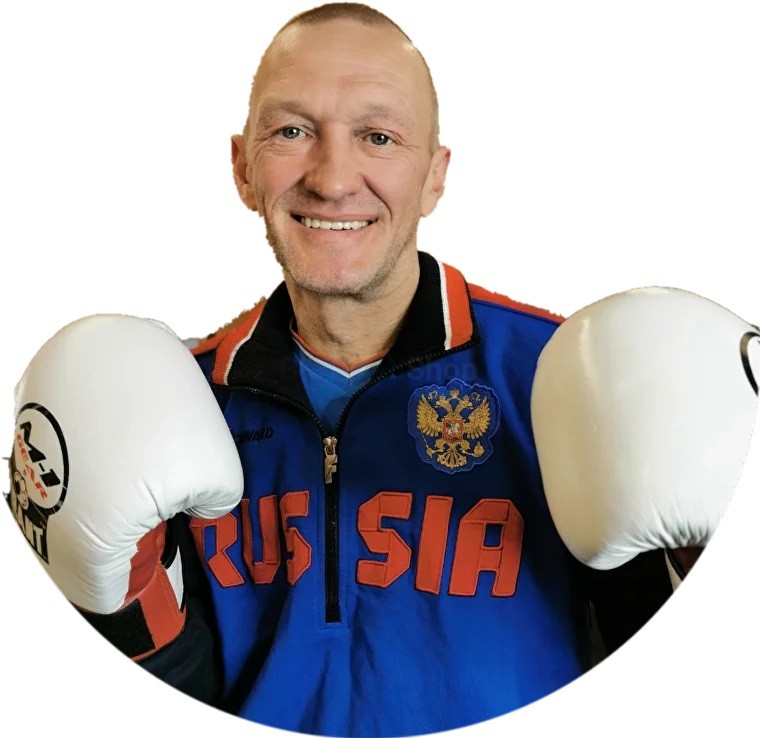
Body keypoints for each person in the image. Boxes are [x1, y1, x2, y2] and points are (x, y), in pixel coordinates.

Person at [7, 3, 756, 737]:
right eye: (292, 131)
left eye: (378, 136)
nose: (333, 179)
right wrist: (119, 603)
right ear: (243, 168)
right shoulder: (168, 400)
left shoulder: (557, 378)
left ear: (434, 177)